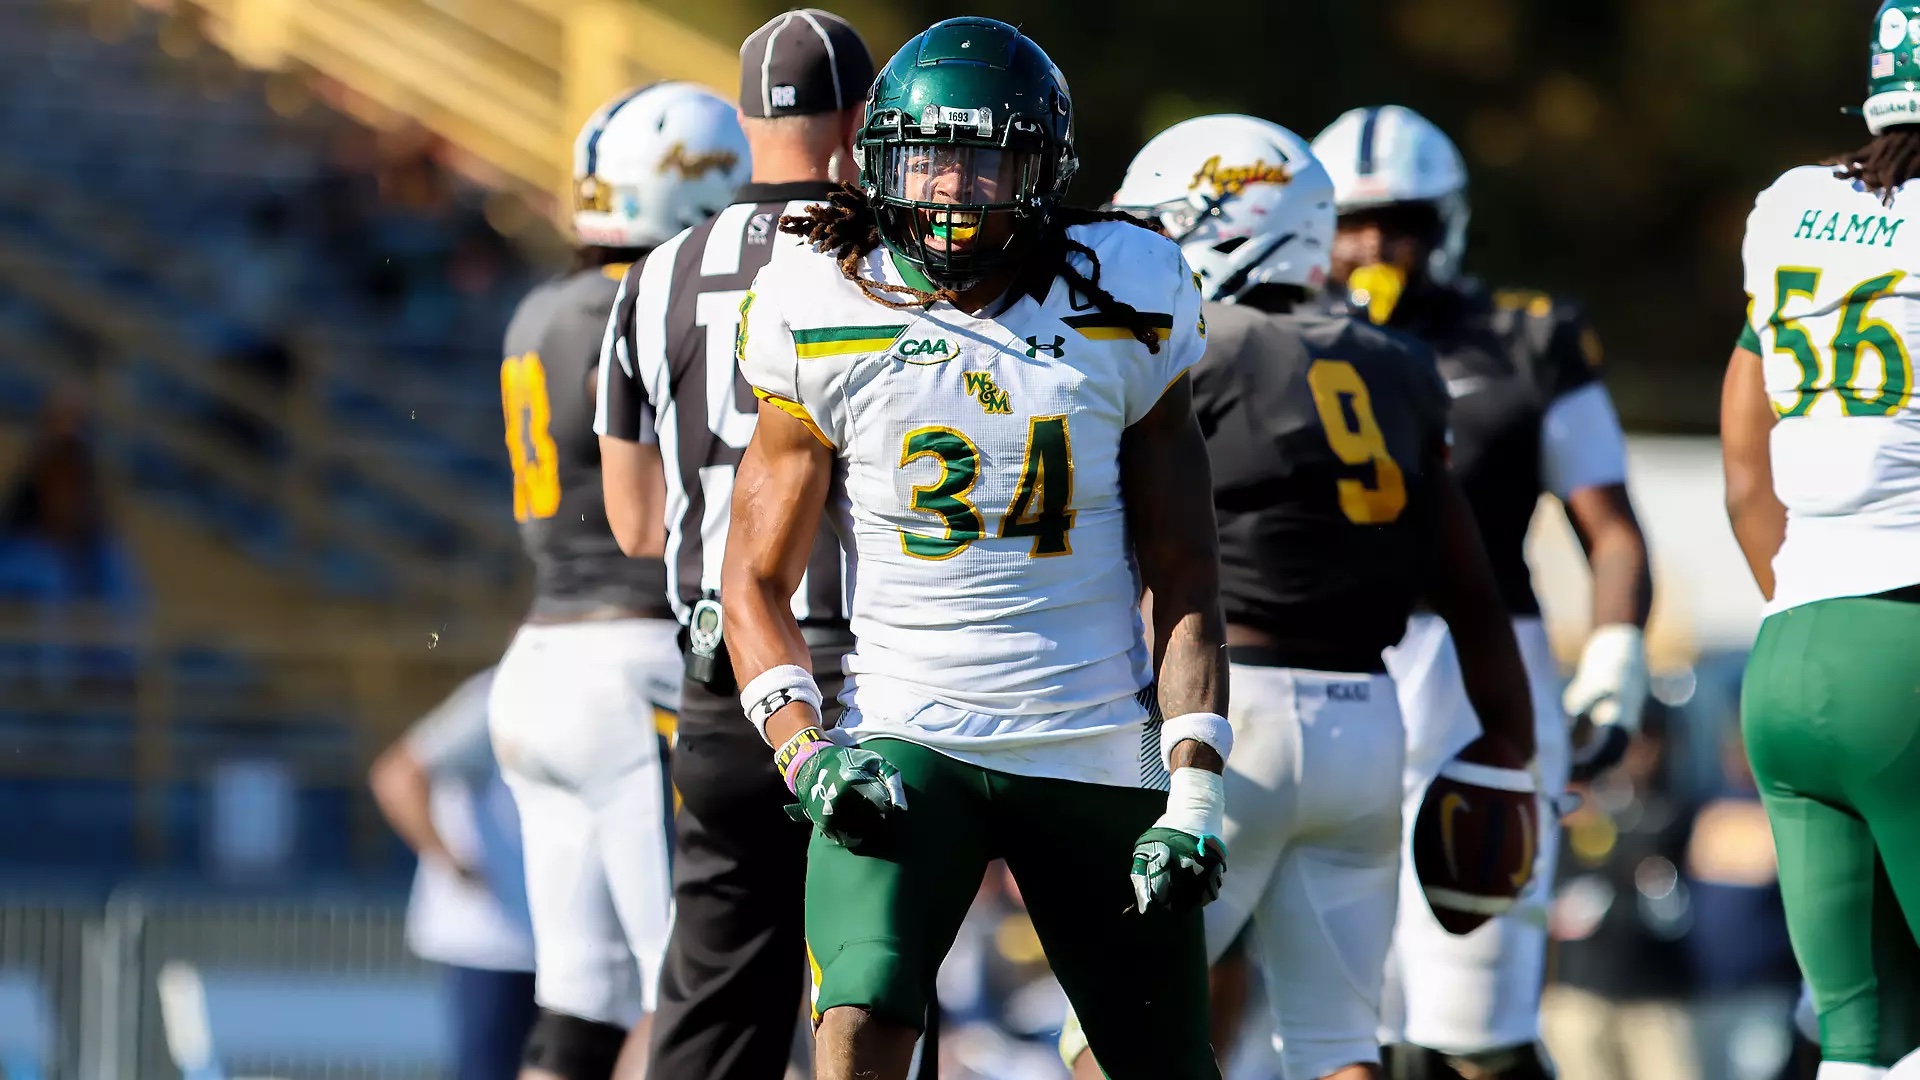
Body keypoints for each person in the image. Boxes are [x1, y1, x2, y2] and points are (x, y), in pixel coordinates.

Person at [723, 17, 1233, 1080]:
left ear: (1041, 173)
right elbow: (754, 580)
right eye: (928, 158)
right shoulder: (821, 295)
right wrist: (805, 753)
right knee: (860, 1011)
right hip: (908, 731)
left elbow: (1186, 574)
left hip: (1094, 736)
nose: (952, 189)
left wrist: (1194, 790)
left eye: (984, 161)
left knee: (1160, 1064)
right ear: (880, 163)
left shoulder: (1126, 293)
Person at [1055, 115, 1538, 1080]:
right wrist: (1509, 746)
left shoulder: (1197, 349)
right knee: (1339, 1046)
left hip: (1226, 717)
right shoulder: (1401, 364)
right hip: (1367, 723)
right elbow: (1473, 589)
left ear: (1226, 230)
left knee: (1113, 1035)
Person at [1309, 105, 1654, 1080]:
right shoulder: (1271, 341)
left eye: (1399, 222)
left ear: (1445, 224)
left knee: (1477, 1025)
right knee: (1337, 1024)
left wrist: (1616, 654)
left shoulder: (1525, 339)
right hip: (1326, 674)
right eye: (1351, 223)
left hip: (1484, 680)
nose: (1372, 246)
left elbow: (1611, 528)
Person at [593, 11, 888, 1079]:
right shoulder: (886, 259)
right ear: (859, 120)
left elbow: (635, 523)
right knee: (876, 992)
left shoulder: (655, 274)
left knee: (715, 1016)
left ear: (744, 122)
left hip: (720, 681)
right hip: (862, 674)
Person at [489, 83, 749, 1080]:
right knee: (706, 994)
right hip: (634, 662)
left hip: (541, 662)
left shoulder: (540, 307)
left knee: (578, 1010)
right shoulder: (650, 306)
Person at [1720, 4, 1920, 1074]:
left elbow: (1745, 468)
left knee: (1860, 1040)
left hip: (1792, 654)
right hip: (1908, 638)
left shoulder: (1791, 204)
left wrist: (1813, 607)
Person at [370, 667, 539, 1080]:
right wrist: (452, 862)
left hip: (541, 940)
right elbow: (399, 776)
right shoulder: (497, 695)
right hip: (496, 939)